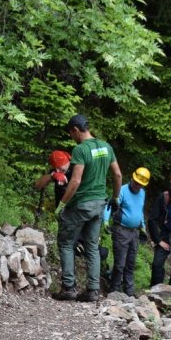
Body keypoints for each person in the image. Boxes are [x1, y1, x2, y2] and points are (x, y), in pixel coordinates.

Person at [53, 114, 121, 303]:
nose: (71, 137)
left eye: (71, 134)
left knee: (66, 242)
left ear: (75, 130)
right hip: (100, 204)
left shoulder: (80, 150)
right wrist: (115, 198)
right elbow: (117, 174)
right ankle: (92, 290)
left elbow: (75, 181)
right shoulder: (106, 147)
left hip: (82, 204)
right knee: (92, 247)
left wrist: (62, 204)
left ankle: (69, 288)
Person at [104, 166, 150, 296]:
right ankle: (114, 290)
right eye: (136, 182)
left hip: (134, 232)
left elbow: (140, 211)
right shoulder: (122, 190)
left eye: (140, 184)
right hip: (121, 230)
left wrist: (143, 227)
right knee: (120, 263)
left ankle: (129, 291)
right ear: (132, 178)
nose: (137, 186)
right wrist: (106, 221)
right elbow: (109, 205)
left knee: (130, 262)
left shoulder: (142, 193)